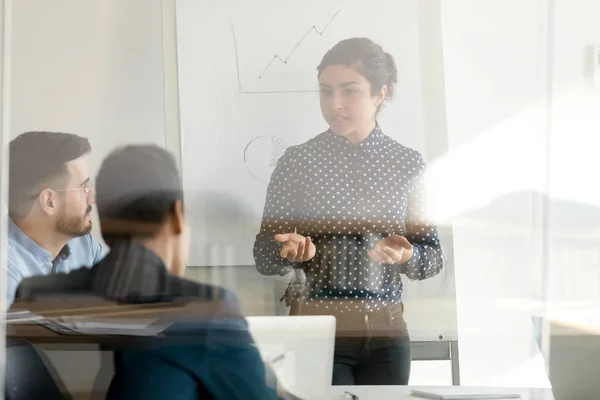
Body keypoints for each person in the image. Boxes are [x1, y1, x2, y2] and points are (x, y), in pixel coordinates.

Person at [15, 144, 299, 400]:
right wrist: (267, 380)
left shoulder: (36, 295)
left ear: (105, 222)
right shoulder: (206, 313)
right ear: (177, 215)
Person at [254, 37, 445, 385]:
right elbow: (264, 255)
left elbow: (433, 257)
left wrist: (407, 256)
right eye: (326, 92)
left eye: (349, 91)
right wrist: (290, 252)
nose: (335, 104)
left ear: (380, 93)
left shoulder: (408, 164)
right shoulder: (298, 162)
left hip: (387, 336)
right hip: (316, 331)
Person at [5, 131, 104, 305]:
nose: (93, 198)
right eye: (84, 188)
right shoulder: (6, 272)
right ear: (49, 202)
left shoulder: (83, 243)